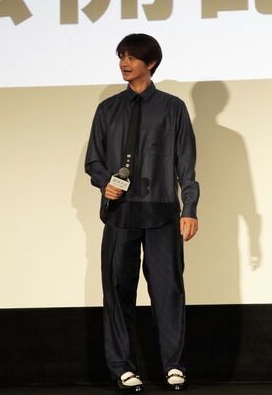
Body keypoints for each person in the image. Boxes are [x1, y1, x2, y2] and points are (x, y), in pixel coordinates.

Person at [85, 33, 199, 392]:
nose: (124, 63)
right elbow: (94, 160)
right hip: (120, 214)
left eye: (132, 57)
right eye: (121, 56)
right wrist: (105, 182)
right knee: (117, 290)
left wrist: (190, 207)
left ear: (150, 63)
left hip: (162, 212)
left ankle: (173, 365)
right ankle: (121, 366)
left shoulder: (172, 108)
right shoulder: (108, 109)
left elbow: (186, 163)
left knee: (168, 290)